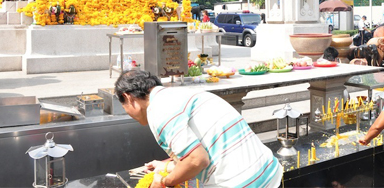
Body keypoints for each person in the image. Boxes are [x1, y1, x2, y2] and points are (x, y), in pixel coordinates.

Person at [114, 70, 282, 188]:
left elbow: (197, 160)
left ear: (128, 98)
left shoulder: (158, 111)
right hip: (269, 172)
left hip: (240, 183)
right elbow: (199, 152)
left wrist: (164, 182)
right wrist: (165, 167)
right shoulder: (180, 95)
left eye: (124, 107)